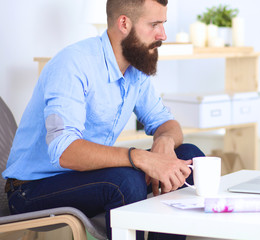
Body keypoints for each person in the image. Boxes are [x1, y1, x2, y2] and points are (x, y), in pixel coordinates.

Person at [2, 0, 205, 239]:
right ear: (124, 23)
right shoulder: (73, 64)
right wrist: (140, 157)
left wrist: (165, 142)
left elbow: (166, 123)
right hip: (31, 189)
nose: (163, 34)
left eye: (163, 24)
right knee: (124, 182)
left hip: (88, 179)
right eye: (154, 25)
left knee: (189, 158)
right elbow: (65, 151)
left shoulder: (135, 71)